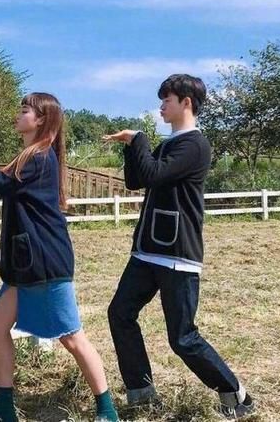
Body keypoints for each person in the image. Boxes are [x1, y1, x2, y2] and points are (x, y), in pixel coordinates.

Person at [0, 92, 118, 422]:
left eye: (25, 110)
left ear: (41, 120)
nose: (18, 114)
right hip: (27, 263)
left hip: (44, 262)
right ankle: (4, 411)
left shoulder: (38, 158)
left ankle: (108, 412)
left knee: (72, 338)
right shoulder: (32, 156)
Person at [103, 74, 255, 420]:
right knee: (120, 314)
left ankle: (237, 395)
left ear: (186, 102)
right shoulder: (170, 144)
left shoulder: (195, 145)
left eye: (166, 100)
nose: (161, 106)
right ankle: (142, 394)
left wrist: (139, 138)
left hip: (177, 255)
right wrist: (130, 147)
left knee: (182, 337)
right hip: (147, 251)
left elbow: (154, 175)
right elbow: (136, 180)